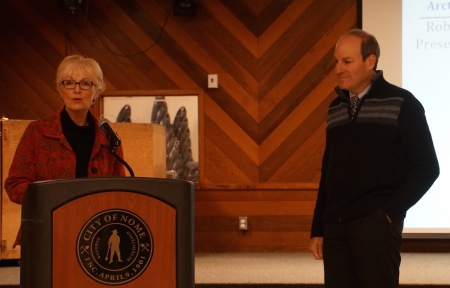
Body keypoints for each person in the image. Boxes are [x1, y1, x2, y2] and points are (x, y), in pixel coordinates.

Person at [309, 29, 440, 288]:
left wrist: (389, 213)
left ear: (370, 62)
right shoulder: (335, 108)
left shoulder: (403, 103)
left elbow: (427, 167)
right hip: (335, 228)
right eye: (336, 61)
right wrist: (318, 227)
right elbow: (329, 171)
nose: (338, 69)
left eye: (347, 61)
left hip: (376, 227)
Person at [5, 55, 126, 248]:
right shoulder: (37, 132)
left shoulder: (108, 139)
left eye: (86, 83)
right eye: (69, 83)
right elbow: (15, 185)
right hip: (47, 233)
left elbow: (119, 192)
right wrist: (54, 200)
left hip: (96, 236)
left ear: (96, 92)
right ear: (60, 90)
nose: (77, 90)